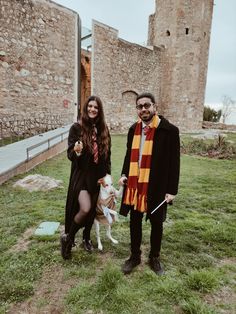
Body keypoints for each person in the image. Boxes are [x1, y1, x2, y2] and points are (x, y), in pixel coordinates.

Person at [118, 92, 180, 275]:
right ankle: (135, 256)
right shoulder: (133, 130)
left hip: (157, 186)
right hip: (135, 185)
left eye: (147, 105)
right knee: (135, 221)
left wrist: (172, 190)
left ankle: (154, 258)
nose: (143, 109)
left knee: (156, 223)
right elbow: (129, 155)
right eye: (140, 106)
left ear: (155, 107)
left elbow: (174, 163)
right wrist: (123, 174)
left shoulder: (169, 131)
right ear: (137, 110)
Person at [61, 95, 111, 260]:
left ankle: (86, 238)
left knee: (91, 213)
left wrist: (107, 176)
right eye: (90, 106)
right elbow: (70, 153)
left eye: (96, 107)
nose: (92, 109)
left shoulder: (104, 129)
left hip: (97, 176)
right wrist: (77, 151)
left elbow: (107, 155)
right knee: (85, 208)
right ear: (85, 108)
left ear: (99, 110)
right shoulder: (77, 128)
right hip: (82, 175)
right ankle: (68, 239)